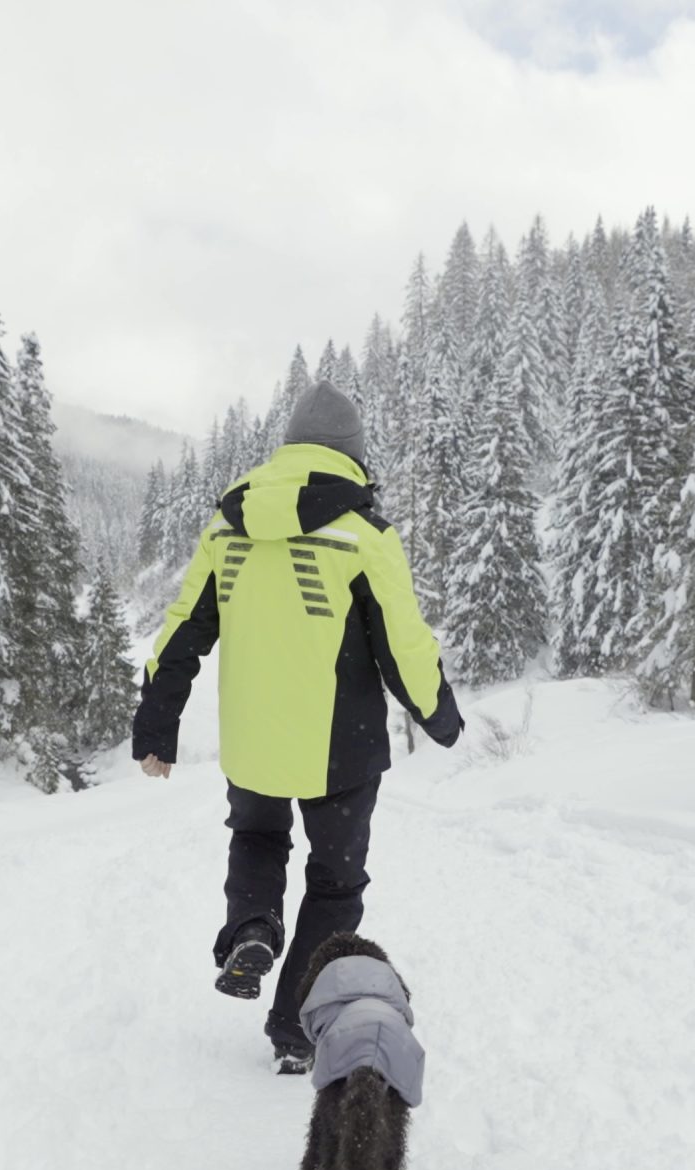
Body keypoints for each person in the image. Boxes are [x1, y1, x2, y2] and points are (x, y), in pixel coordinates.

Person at [132, 381, 462, 1072]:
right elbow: (404, 643)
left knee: (257, 836)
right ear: (351, 455)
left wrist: (156, 725)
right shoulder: (363, 533)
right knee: (335, 885)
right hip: (341, 750)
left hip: (253, 742)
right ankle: (292, 1028)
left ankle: (252, 928)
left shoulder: (228, 525)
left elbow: (183, 628)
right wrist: (441, 717)